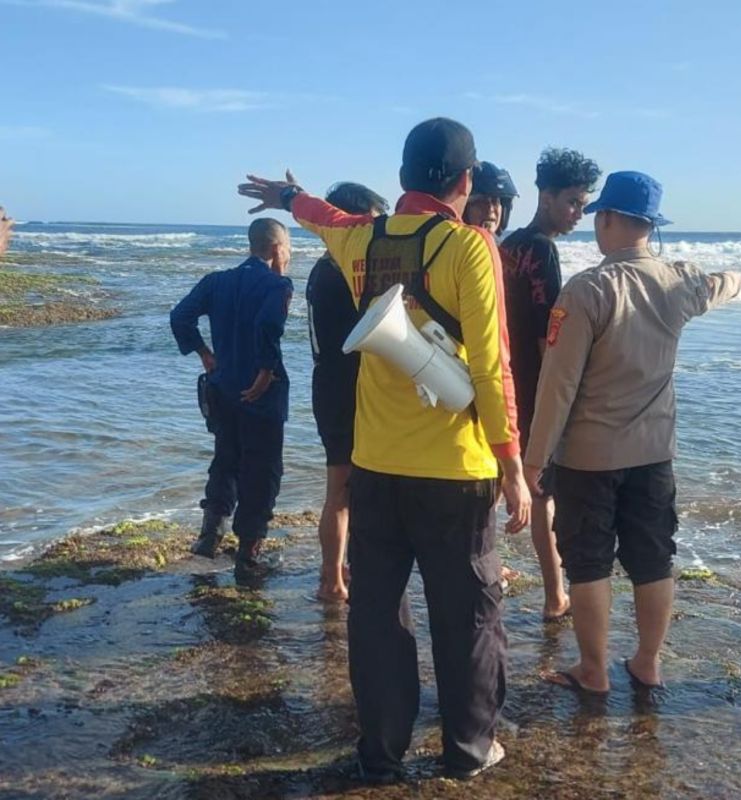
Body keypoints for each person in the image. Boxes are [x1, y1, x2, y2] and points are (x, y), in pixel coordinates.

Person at [237, 117, 531, 781]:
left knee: (376, 614)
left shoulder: (363, 239)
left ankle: (382, 749)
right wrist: (512, 463)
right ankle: (469, 749)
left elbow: (319, 215)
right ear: (464, 181)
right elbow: (492, 364)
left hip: (373, 466)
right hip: (456, 472)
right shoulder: (470, 247)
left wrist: (285, 199)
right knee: (470, 618)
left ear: (401, 178)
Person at [524, 171, 741, 694]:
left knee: (588, 561)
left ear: (607, 220)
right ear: (650, 226)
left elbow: (558, 385)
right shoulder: (679, 283)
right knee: (652, 558)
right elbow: (723, 283)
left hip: (588, 456)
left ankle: (594, 670)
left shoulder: (587, 290)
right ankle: (648, 661)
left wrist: (533, 460)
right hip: (653, 452)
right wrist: (736, 278)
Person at [501, 147, 602, 622]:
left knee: (510, 486)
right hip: (531, 390)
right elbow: (549, 339)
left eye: (583, 204)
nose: (579, 213)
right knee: (542, 494)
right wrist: (557, 402)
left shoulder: (509, 244)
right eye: (572, 202)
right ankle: (553, 593)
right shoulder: (540, 250)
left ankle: (497, 571)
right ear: (544, 196)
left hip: (502, 384)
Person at [170, 218, 294, 578]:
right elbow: (269, 325)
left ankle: (209, 536)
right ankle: (248, 554)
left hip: (222, 386)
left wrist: (204, 353)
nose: (289, 254)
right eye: (287, 247)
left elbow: (180, 317)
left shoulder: (217, 281)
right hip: (261, 390)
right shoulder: (277, 285)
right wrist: (267, 369)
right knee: (263, 470)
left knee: (226, 457)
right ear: (276, 249)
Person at [306, 182, 389, 603]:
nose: (373, 231)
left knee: (343, 489)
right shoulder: (340, 273)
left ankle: (339, 571)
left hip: (328, 385)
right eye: (369, 221)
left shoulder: (325, 269)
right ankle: (331, 578)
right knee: (341, 491)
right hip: (346, 390)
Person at [463, 161, 518, 237]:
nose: (490, 209)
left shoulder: (510, 248)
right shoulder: (454, 247)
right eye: (481, 201)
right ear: (465, 209)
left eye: (495, 201)